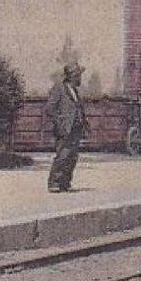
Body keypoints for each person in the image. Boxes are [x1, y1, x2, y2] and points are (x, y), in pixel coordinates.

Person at [43, 62, 88, 193]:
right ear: (73, 76)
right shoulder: (60, 88)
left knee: (73, 156)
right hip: (65, 128)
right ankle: (54, 183)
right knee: (63, 155)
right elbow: (50, 108)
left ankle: (65, 183)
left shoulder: (75, 90)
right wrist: (60, 122)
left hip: (76, 128)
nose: (80, 78)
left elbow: (77, 108)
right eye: (79, 75)